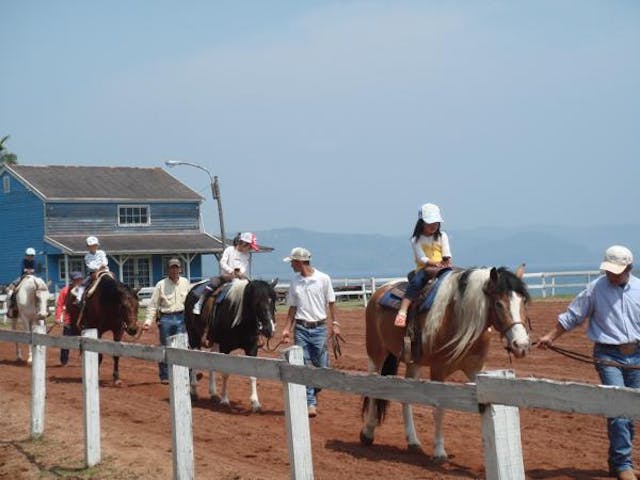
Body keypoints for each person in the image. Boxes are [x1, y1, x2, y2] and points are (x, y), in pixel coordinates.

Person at [537, 245, 640, 480]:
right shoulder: (595, 289)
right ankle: (624, 464)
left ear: (629, 268)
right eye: (609, 270)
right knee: (617, 407)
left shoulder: (639, 289)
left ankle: (618, 461)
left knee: (632, 410)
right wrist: (550, 336)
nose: (611, 275)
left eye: (616, 271)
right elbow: (574, 315)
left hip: (637, 355)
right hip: (608, 355)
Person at [281, 247, 340, 418]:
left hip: (319, 328)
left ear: (299, 262)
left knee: (323, 368)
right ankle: (310, 403)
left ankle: (313, 390)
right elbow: (292, 307)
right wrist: (286, 328)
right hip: (301, 328)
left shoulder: (323, 279)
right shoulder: (295, 281)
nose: (291, 264)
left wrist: (335, 323)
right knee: (304, 365)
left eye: (292, 262)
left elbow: (331, 302)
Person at [394, 203, 453, 327]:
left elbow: (446, 251)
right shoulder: (416, 239)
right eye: (430, 223)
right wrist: (436, 263)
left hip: (443, 267)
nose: (434, 226)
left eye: (436, 223)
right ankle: (403, 311)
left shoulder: (443, 236)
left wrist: (446, 260)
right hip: (424, 268)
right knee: (416, 283)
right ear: (421, 223)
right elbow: (422, 258)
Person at [143, 258, 191, 384]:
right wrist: (148, 321)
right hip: (166, 318)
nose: (175, 270)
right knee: (165, 346)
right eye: (172, 268)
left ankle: (187, 374)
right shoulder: (161, 285)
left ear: (180, 269)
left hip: (181, 317)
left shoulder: (185, 283)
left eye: (177, 268)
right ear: (168, 270)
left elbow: (190, 303)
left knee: (184, 346)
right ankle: (165, 375)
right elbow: (153, 304)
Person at [192, 232, 259, 315]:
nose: (250, 249)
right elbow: (222, 263)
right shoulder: (229, 250)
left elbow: (244, 266)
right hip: (225, 276)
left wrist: (240, 273)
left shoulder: (247, 255)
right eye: (250, 247)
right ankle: (199, 303)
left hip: (239, 278)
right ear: (244, 243)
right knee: (213, 283)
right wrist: (231, 271)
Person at [55, 271, 83, 366]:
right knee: (65, 342)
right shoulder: (65, 291)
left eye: (80, 279)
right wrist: (58, 317)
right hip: (68, 320)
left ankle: (85, 359)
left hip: (81, 321)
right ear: (72, 281)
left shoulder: (83, 291)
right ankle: (64, 361)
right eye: (76, 280)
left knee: (84, 341)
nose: (79, 281)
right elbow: (59, 304)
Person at [6, 248, 40, 319]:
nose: (30, 257)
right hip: (23, 277)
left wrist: (29, 271)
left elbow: (34, 270)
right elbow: (24, 270)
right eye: (28, 255)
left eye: (31, 255)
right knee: (12, 287)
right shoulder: (23, 261)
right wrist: (29, 271)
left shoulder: (35, 262)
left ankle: (44, 307)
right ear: (26, 255)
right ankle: (12, 304)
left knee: (42, 288)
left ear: (33, 256)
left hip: (33, 277)